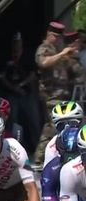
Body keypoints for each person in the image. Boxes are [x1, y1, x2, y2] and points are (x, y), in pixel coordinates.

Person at [34, 21, 80, 164]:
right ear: (50, 34)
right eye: (56, 36)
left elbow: (76, 72)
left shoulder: (59, 51)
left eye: (60, 37)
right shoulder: (44, 48)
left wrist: (73, 56)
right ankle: (39, 160)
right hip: (50, 95)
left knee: (59, 126)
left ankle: (54, 156)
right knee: (53, 125)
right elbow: (43, 63)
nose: (59, 40)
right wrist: (62, 54)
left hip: (64, 95)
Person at [0, 32, 40, 154]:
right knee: (14, 122)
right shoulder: (7, 57)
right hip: (12, 93)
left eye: (18, 42)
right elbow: (2, 77)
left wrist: (21, 86)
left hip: (27, 93)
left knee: (33, 121)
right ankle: (15, 148)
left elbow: (33, 75)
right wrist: (14, 88)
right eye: (14, 42)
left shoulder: (27, 56)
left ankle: (37, 148)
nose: (16, 45)